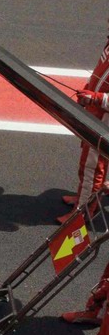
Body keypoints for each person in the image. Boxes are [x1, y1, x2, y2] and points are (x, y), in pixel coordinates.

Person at [61, 18, 109, 224]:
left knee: (92, 166)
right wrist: (88, 89)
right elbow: (100, 75)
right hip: (95, 114)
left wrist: (95, 98)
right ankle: (83, 197)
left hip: (104, 120)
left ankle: (82, 212)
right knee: (89, 163)